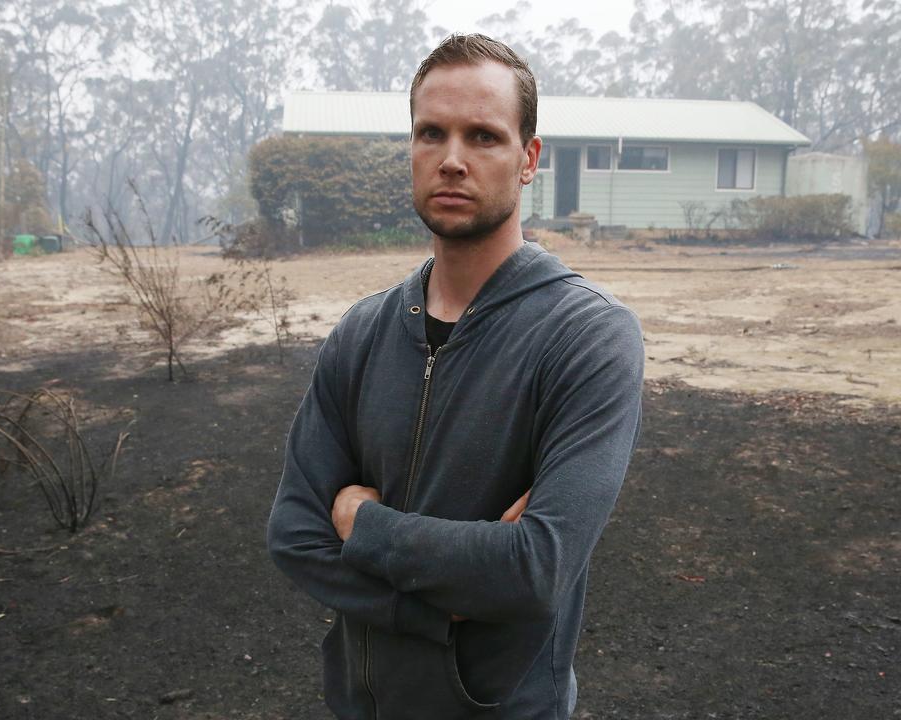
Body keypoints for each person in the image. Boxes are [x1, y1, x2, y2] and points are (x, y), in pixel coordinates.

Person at [266, 33, 644, 720]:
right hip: (360, 704)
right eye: (431, 133)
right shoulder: (364, 331)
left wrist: (362, 524)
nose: (452, 160)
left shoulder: (587, 336)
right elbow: (294, 534)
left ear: (528, 159)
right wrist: (437, 614)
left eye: (483, 137)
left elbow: (535, 569)